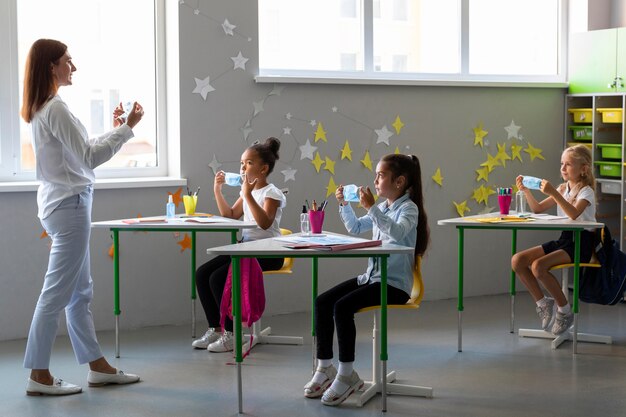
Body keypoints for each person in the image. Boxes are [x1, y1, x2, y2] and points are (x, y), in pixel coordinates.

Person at [21, 39, 143, 396]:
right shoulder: (55, 108)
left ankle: (97, 366)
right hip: (70, 207)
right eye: (67, 61)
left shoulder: (46, 108)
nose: (73, 67)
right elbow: (89, 158)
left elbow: (79, 151)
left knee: (79, 293)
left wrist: (117, 129)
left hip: (63, 205)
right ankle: (39, 375)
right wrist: (128, 128)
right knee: (56, 294)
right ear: (51, 67)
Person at [303, 153, 429, 406]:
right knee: (323, 301)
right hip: (371, 278)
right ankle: (325, 367)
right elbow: (356, 228)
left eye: (381, 175)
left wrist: (371, 208)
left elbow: (398, 232)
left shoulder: (409, 209)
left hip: (394, 285)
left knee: (342, 307)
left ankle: (347, 374)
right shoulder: (383, 207)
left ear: (400, 181)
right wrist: (344, 205)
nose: (376, 180)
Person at [192, 137, 286, 352]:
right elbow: (231, 215)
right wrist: (218, 190)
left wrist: (247, 195)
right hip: (246, 250)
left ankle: (232, 334)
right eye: (242, 163)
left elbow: (264, 223)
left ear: (263, 169)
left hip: (269, 252)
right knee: (202, 273)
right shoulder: (248, 192)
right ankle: (215, 328)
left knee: (218, 278)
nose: (243, 168)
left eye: (249, 163)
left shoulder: (272, 193)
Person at [511, 144, 597, 336]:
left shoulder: (586, 192)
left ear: (583, 169)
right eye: (562, 164)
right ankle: (543, 303)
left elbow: (574, 214)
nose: (563, 169)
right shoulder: (562, 188)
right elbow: (537, 209)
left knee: (538, 267)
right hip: (565, 239)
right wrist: (526, 191)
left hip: (582, 243)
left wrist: (554, 193)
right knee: (518, 260)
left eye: (568, 165)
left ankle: (565, 311)